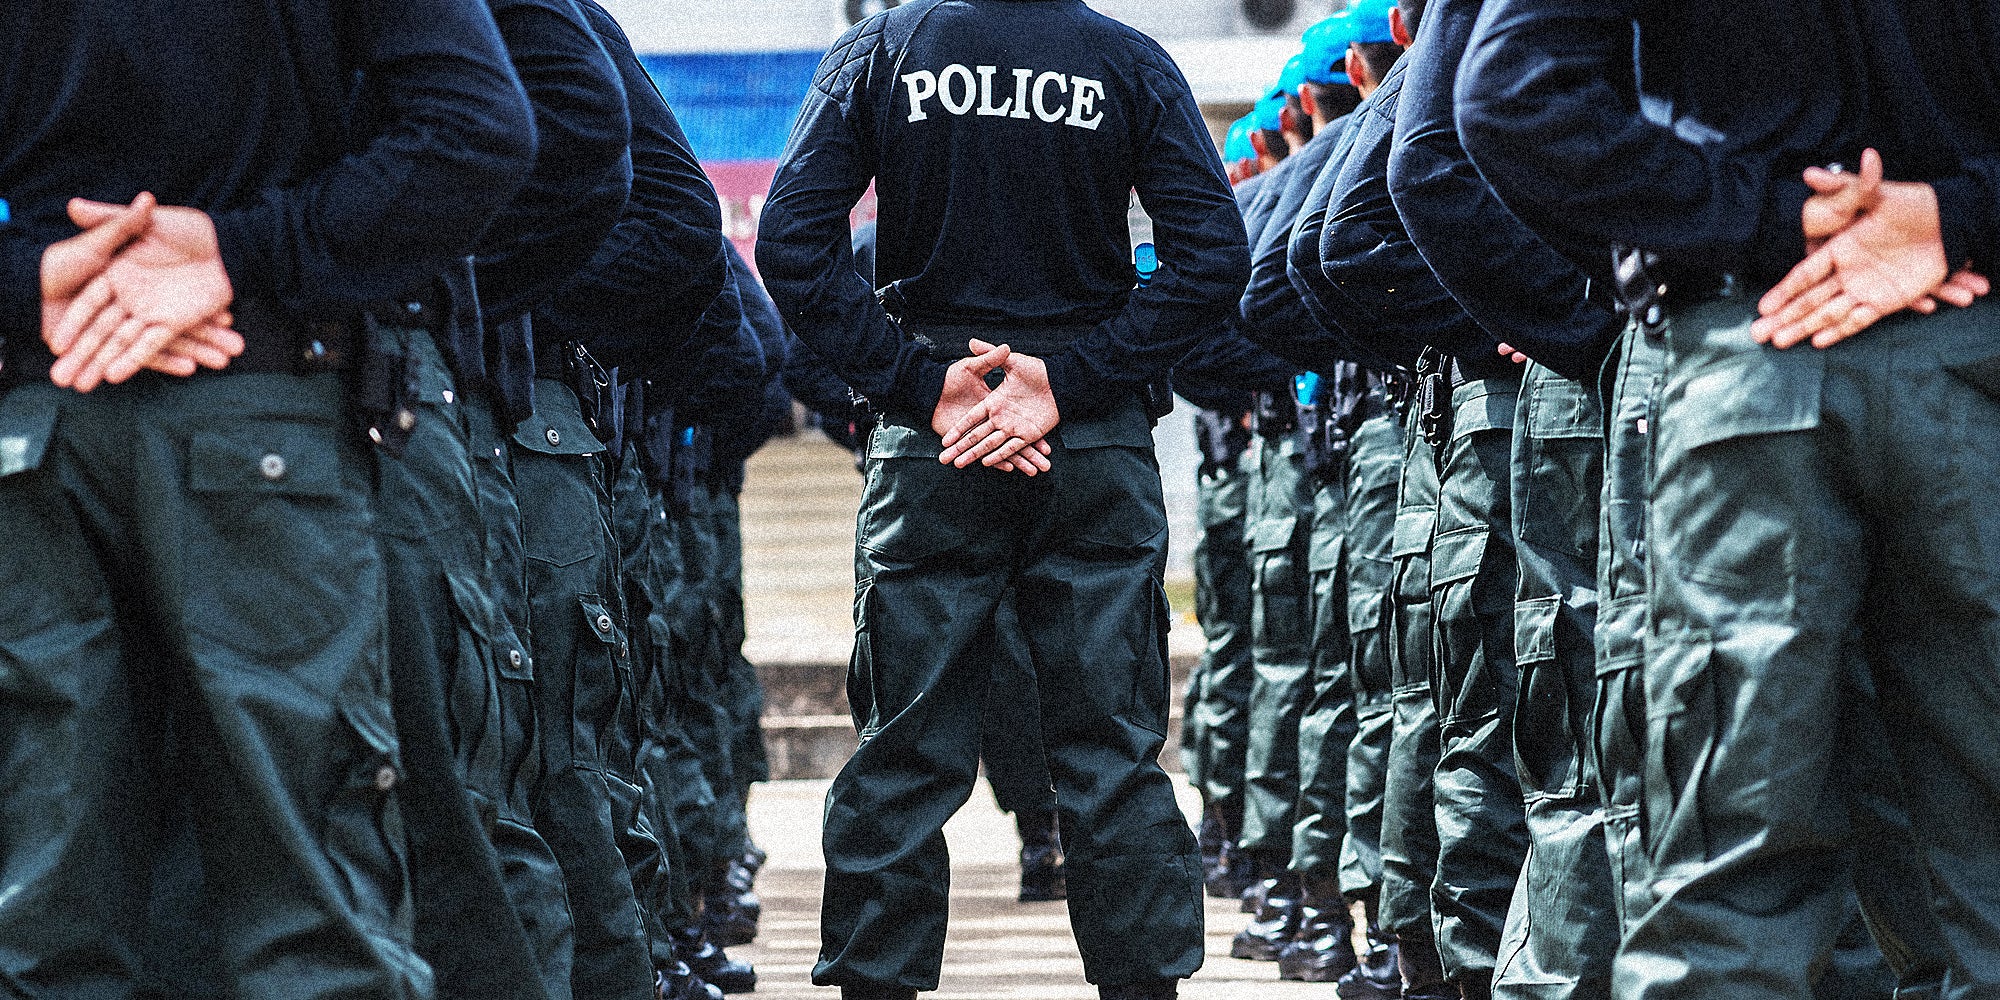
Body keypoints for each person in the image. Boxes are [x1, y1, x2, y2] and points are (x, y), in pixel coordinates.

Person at [1458, 1, 2000, 996]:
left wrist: (1763, 215)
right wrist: (1948, 218)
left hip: (1745, 361)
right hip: (1971, 357)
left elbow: (1508, 100)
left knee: (1727, 875)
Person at [0, 1, 536, 997]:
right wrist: (241, 254)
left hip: (41, 429)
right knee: (313, 912)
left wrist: (31, 281)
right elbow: (479, 132)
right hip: (262, 419)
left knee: (42, 917)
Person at [757, 0, 1251, 996]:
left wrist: (917, 382)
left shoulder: (880, 55)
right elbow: (1210, 260)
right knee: (1110, 750)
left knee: (902, 745)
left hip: (934, 441)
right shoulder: (1126, 62)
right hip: (1090, 441)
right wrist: (1065, 383)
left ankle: (876, 983)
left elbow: (791, 245)